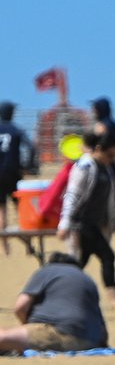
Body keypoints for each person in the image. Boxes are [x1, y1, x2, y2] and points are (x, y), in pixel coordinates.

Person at [57, 130, 115, 308]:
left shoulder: (105, 167)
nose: (111, 158)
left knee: (79, 262)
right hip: (82, 223)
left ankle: (61, 293)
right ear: (99, 149)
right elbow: (72, 195)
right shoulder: (84, 167)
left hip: (95, 223)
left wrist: (112, 220)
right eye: (109, 154)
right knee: (107, 256)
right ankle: (114, 298)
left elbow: (108, 198)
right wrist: (64, 223)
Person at [0, 253, 108, 353]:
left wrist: (25, 326)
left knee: (3, 335)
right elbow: (101, 327)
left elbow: (20, 307)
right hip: (90, 341)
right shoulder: (87, 278)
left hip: (59, 333)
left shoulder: (47, 270)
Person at [91, 97, 115, 252]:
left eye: (94, 109)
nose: (92, 112)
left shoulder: (100, 127)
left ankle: (104, 242)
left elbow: (93, 150)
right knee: (113, 206)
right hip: (113, 169)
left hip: (99, 169)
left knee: (101, 207)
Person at [0, 100, 32, 255]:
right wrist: (28, 165)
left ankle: (5, 247)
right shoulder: (16, 130)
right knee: (21, 210)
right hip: (13, 174)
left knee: (2, 211)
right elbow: (31, 147)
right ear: (11, 114)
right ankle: (29, 244)